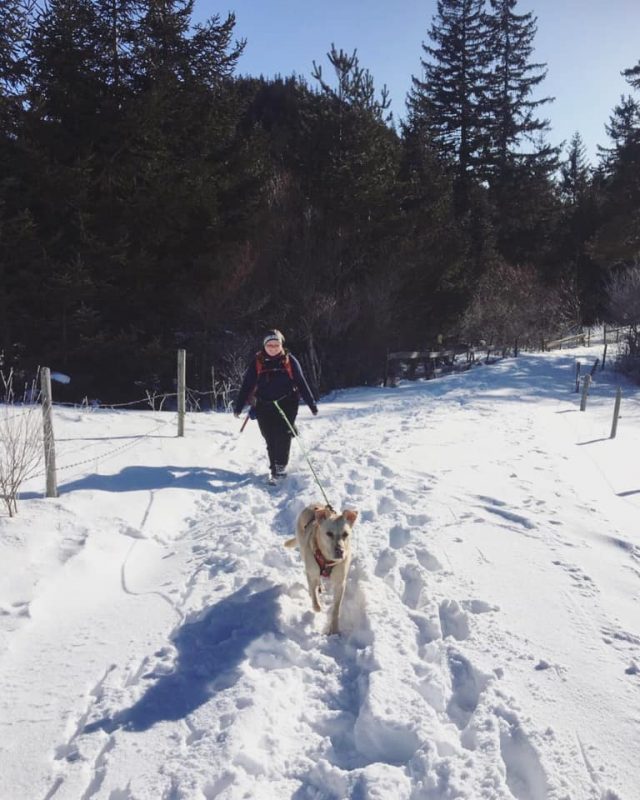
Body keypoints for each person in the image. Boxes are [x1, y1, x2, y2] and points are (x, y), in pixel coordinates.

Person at [233, 329, 318, 481]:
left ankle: (280, 467)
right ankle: (274, 467)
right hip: (263, 405)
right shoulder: (257, 362)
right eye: (269, 345)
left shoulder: (290, 361)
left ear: (281, 345)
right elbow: (247, 385)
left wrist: (311, 404)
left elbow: (301, 382)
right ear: (264, 346)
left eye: (276, 345)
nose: (273, 348)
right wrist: (238, 406)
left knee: (282, 435)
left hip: (287, 403)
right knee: (269, 436)